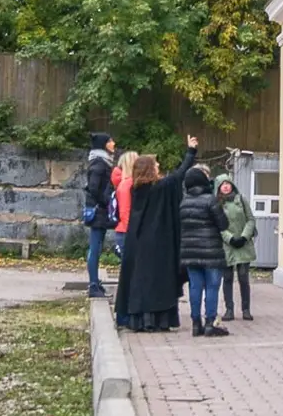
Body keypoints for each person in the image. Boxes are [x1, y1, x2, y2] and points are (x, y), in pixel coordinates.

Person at [114, 137, 198, 332]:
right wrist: (191, 151)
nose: (159, 165)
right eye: (156, 164)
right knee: (157, 282)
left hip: (138, 243)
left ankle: (140, 319)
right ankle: (158, 319)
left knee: (140, 281)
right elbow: (179, 175)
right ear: (150, 169)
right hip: (158, 244)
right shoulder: (159, 188)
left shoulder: (136, 189)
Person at [180, 167, 230, 338]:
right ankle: (210, 323)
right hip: (211, 252)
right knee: (212, 287)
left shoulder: (184, 202)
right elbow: (223, 224)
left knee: (195, 287)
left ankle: (195, 324)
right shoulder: (211, 200)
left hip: (189, 252)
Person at [215, 175, 257, 322]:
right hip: (227, 246)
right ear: (218, 187)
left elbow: (250, 219)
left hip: (243, 244)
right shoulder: (216, 203)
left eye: (228, 183)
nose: (226, 186)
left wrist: (244, 236)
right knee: (227, 278)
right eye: (222, 184)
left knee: (243, 278)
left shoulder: (241, 199)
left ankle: (246, 309)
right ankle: (229, 310)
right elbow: (217, 225)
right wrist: (230, 238)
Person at [85, 132, 116, 298]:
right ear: (103, 144)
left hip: (99, 209)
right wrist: (105, 201)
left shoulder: (102, 162)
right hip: (98, 210)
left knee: (96, 247)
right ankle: (93, 285)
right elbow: (93, 188)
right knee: (95, 248)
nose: (113, 143)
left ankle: (95, 282)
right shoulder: (99, 164)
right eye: (110, 141)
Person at [110, 150, 138, 259]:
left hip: (124, 230)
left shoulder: (123, 183)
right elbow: (125, 211)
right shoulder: (127, 184)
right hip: (127, 231)